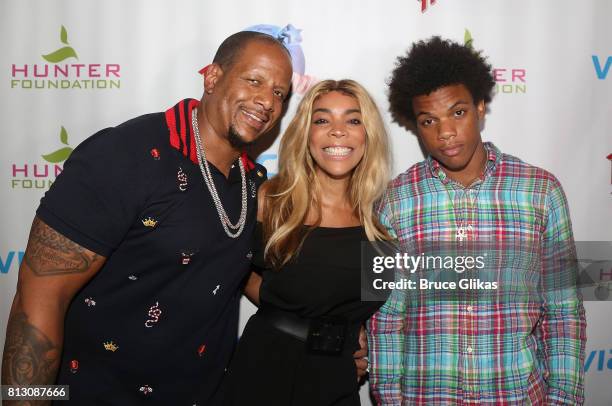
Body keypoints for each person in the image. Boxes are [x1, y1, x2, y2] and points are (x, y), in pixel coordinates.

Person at [1, 31, 293, 405]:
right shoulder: (126, 155)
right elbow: (39, 298)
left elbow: (237, 274)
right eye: (254, 80)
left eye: (279, 93)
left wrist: (326, 330)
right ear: (213, 77)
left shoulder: (251, 182)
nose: (266, 100)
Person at [368, 37, 586, 405]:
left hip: (518, 396)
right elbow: (386, 322)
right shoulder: (393, 203)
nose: (445, 133)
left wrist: (563, 399)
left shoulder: (541, 191)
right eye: (428, 120)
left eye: (457, 112)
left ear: (480, 106)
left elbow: (564, 312)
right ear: (416, 125)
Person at [218, 79, 391, 406]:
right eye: (322, 120)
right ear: (306, 133)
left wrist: (350, 338)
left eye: (353, 120)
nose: (337, 131)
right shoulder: (273, 199)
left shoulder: (380, 221)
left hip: (338, 378)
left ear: (368, 134)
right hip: (265, 370)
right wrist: (290, 315)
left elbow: (365, 302)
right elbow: (235, 270)